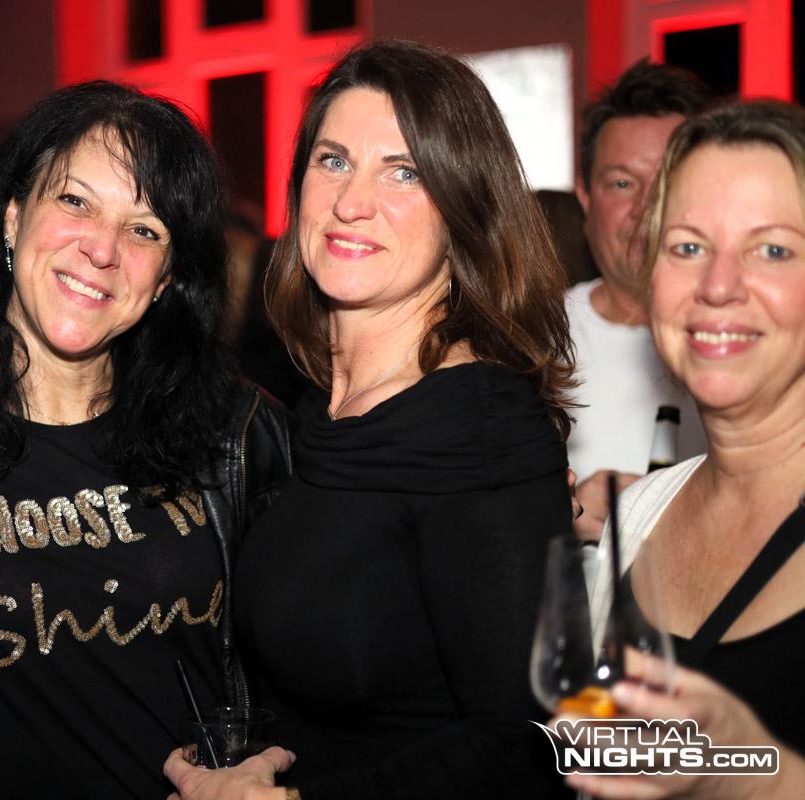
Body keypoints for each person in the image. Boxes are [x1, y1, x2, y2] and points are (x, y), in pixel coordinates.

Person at [0, 81, 292, 798]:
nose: (102, 249)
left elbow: (314, 677)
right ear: (12, 216)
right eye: (75, 201)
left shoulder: (237, 437)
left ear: (167, 278)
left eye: (145, 230)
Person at [167, 40, 575, 799]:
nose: (352, 201)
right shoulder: (320, 411)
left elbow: (529, 740)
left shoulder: (477, 428)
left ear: (465, 208)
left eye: (404, 171)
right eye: (333, 161)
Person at [577, 100, 805, 799]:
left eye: (773, 250)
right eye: (687, 247)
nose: (718, 286)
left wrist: (754, 774)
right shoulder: (637, 517)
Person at [567, 61, 713, 540]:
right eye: (622, 183)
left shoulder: (756, 343)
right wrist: (555, 514)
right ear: (585, 197)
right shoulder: (526, 341)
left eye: (669, 180)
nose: (647, 208)